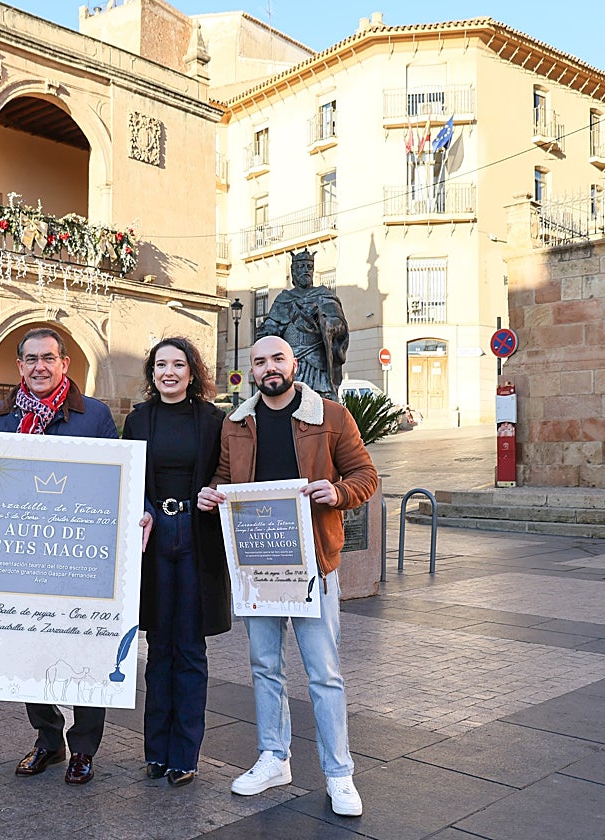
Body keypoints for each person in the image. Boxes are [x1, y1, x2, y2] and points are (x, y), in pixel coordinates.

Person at [197, 335, 378, 817]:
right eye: (260, 362)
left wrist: (336, 493)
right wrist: (213, 494)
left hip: (313, 563)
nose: (269, 367)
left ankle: (339, 773)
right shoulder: (237, 423)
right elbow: (221, 476)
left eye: (277, 358)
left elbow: (366, 476)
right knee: (264, 667)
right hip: (258, 565)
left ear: (293, 364)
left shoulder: (331, 417)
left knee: (325, 674)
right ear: (252, 371)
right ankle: (274, 758)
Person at [0, 327, 118, 785]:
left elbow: (117, 483)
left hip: (80, 556)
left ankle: (83, 749)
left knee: (86, 651)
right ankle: (47, 739)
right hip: (23, 555)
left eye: (49, 358)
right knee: (27, 650)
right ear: (19, 366)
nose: (40, 366)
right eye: (31, 359)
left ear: (65, 365)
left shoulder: (94, 416)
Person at [121, 337, 230, 788]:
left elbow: (226, 473)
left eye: (178, 364)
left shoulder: (213, 420)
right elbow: (127, 477)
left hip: (196, 537)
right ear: (152, 372)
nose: (169, 372)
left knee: (189, 647)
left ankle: (185, 754)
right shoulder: (138, 419)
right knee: (158, 648)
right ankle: (156, 753)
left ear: (192, 372)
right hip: (153, 535)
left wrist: (215, 492)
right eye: (161, 364)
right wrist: (142, 505)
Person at [256, 248, 349, 400]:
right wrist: (266, 331)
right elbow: (273, 326)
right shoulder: (284, 298)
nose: (305, 270)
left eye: (309, 267)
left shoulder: (324, 295)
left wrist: (324, 321)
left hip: (316, 362)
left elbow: (340, 325)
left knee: (320, 400)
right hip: (289, 361)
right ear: (293, 271)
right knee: (289, 400)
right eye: (301, 267)